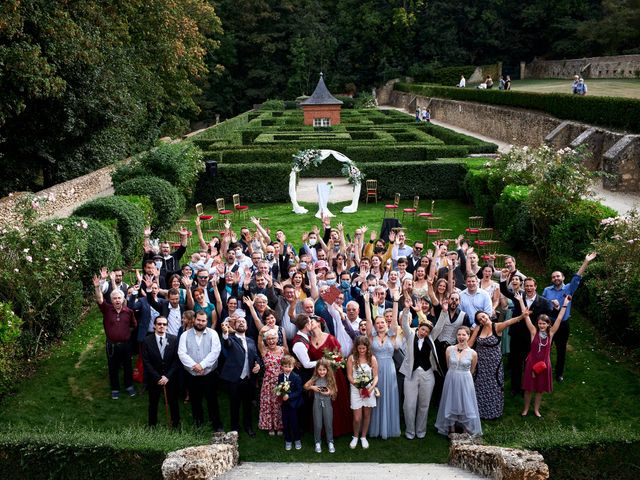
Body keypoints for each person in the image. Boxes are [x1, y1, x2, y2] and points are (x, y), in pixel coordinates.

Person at [542, 252, 596, 382]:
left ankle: (559, 373)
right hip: (549, 324)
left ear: (563, 277)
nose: (556, 278)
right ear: (551, 280)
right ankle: (544, 370)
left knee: (561, 350)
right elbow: (543, 306)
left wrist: (586, 262)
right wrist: (551, 304)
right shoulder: (547, 290)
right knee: (546, 348)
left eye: (558, 276)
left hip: (563, 324)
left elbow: (577, 277)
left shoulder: (569, 289)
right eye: (553, 277)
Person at [469, 310, 527, 419]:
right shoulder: (478, 328)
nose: (482, 319)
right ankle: (479, 412)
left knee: (494, 386)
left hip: (494, 364)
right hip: (480, 363)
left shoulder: (497, 327)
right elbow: (470, 343)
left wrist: (522, 316)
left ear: (487, 315)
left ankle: (493, 412)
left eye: (483, 316)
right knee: (479, 385)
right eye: (480, 319)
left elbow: (510, 321)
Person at [399, 296, 441, 440]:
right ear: (419, 328)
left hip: (427, 374)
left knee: (424, 404)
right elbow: (404, 323)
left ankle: (421, 430)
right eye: (423, 329)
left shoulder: (430, 339)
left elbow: (440, 326)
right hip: (411, 374)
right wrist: (406, 309)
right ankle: (410, 431)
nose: (424, 332)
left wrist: (445, 312)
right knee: (409, 405)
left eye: (427, 331)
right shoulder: (410, 335)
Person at [521, 296, 571, 418]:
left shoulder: (551, 333)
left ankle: (536, 410)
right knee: (528, 389)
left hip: (544, 364)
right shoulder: (533, 332)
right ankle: (526, 409)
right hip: (532, 363)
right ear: (537, 324)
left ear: (548, 324)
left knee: (539, 389)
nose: (541, 325)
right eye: (540, 323)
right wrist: (520, 301)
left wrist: (564, 304)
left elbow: (559, 318)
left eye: (544, 323)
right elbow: (526, 316)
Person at [363, 290, 401, 439]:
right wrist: (367, 302)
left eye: (382, 323)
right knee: (375, 397)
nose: (379, 325)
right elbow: (367, 318)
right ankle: (375, 428)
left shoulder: (392, 336)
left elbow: (396, 320)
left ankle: (388, 428)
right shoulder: (371, 338)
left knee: (388, 396)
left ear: (387, 324)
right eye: (377, 323)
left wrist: (396, 301)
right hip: (375, 370)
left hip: (390, 370)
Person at [307, 314, 352, 437]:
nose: (309, 323)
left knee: (334, 402)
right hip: (317, 375)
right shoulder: (308, 340)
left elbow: (339, 358)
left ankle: (338, 429)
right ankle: (319, 430)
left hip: (333, 374)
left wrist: (332, 364)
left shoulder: (330, 338)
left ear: (319, 323)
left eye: (311, 321)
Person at [93, 275, 137, 400]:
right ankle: (115, 389)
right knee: (112, 367)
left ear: (123, 299)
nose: (117, 300)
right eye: (115, 298)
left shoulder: (129, 311)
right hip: (111, 345)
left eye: (119, 298)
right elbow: (100, 299)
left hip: (126, 345)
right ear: (111, 300)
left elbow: (134, 325)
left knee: (128, 366)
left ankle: (129, 386)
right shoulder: (107, 309)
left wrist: (124, 334)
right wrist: (97, 287)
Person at [177, 310, 223, 431]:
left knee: (212, 400)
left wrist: (202, 365)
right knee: (195, 400)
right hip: (192, 375)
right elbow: (181, 353)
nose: (200, 323)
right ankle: (198, 424)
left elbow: (215, 352)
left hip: (209, 374)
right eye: (198, 320)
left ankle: (216, 424)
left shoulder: (213, 334)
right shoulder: (185, 335)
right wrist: (195, 366)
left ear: (207, 321)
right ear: (194, 320)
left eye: (203, 321)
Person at [434, 326, 482, 436]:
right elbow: (448, 364)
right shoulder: (449, 349)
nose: (461, 337)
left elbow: (472, 369)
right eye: (459, 334)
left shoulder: (473, 353)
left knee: (465, 402)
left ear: (468, 336)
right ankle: (451, 428)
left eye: (464, 335)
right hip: (451, 378)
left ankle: (465, 429)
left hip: (465, 379)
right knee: (451, 400)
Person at [220, 317, 261, 436]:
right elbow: (227, 343)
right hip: (234, 378)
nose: (241, 323)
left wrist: (258, 364)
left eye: (244, 321)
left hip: (248, 379)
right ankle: (235, 428)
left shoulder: (251, 340)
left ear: (247, 326)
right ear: (234, 325)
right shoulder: (231, 339)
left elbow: (256, 356)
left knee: (247, 405)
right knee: (234, 405)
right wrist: (225, 333)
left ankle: (248, 427)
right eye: (239, 322)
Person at [142, 316, 180, 427]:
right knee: (153, 403)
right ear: (154, 326)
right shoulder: (147, 341)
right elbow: (146, 361)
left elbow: (176, 360)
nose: (161, 326)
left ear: (167, 326)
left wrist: (167, 376)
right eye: (159, 324)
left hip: (170, 378)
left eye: (164, 324)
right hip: (154, 379)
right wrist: (157, 377)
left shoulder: (173, 339)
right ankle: (152, 425)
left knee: (173, 402)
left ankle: (176, 424)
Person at [346, 336, 378, 449]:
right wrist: (358, 386)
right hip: (356, 390)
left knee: (367, 415)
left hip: (369, 390)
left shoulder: (372, 359)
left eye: (364, 348)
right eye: (359, 348)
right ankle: (355, 436)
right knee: (357, 418)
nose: (361, 351)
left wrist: (371, 388)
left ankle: (363, 437)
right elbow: (349, 376)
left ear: (367, 348)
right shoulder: (351, 358)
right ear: (356, 348)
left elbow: (376, 376)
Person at [304, 358, 337, 453]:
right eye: (320, 370)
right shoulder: (315, 378)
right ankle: (317, 442)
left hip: (327, 403)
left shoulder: (330, 378)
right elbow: (305, 386)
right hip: (317, 403)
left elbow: (334, 390)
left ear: (327, 370)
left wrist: (329, 392)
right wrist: (313, 387)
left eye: (324, 370)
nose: (322, 372)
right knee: (318, 424)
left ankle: (330, 442)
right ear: (316, 370)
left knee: (328, 423)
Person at [257, 329, 284, 435]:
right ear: (266, 341)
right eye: (269, 339)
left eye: (273, 338)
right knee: (269, 404)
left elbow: (289, 360)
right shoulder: (264, 351)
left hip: (281, 381)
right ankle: (270, 426)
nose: (271, 341)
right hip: (268, 382)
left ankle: (280, 426)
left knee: (279, 403)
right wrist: (261, 333)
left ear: (277, 339)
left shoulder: (283, 350)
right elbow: (259, 343)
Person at [278, 355, 303, 450]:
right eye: (285, 366)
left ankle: (297, 439)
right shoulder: (280, 376)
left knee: (294, 422)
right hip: (284, 404)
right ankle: (288, 440)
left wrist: (289, 396)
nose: (287, 368)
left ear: (293, 366)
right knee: (285, 422)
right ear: (282, 366)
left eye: (290, 366)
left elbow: (299, 391)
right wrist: (279, 392)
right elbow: (279, 387)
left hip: (294, 404)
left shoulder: (296, 377)